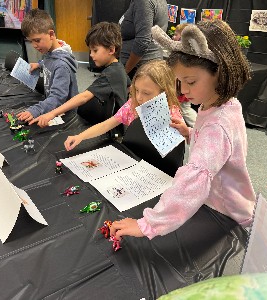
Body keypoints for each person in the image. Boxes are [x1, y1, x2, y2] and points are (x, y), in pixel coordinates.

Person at [110, 20, 256, 241]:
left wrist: (148, 224)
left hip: (226, 214)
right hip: (223, 201)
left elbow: (196, 177)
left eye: (190, 81)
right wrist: (191, 133)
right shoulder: (225, 104)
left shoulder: (217, 125)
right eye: (179, 81)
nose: (184, 90)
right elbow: (225, 149)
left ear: (221, 71)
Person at [64, 60, 183, 151]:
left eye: (146, 93)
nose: (139, 97)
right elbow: (107, 124)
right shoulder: (132, 104)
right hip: (133, 155)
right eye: (136, 90)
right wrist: (80, 136)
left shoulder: (172, 115)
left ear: (164, 92)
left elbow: (174, 151)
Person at [29, 22, 130, 128]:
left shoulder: (111, 74)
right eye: (90, 50)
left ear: (111, 50)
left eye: (95, 50)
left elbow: (84, 97)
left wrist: (52, 113)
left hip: (112, 129)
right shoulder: (118, 67)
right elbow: (129, 87)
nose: (91, 54)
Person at [17, 8, 79, 123]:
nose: (34, 45)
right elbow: (50, 60)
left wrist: (36, 110)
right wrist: (40, 64)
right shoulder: (50, 51)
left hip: (65, 115)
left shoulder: (61, 66)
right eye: (31, 41)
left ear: (51, 34)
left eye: (37, 40)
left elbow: (58, 97)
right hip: (52, 106)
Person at [119, 0, 168, 79]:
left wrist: (125, 71)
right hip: (146, 67)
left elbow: (142, 42)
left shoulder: (143, 2)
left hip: (138, 70)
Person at [172, 23, 197, 128]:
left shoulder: (184, 55)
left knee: (185, 110)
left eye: (176, 34)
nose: (173, 36)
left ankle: (198, 127)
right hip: (180, 88)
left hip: (181, 90)